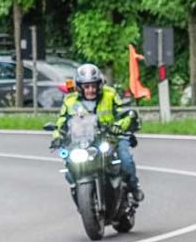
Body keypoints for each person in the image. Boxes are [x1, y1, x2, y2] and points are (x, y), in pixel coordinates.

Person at [51, 63, 143, 202]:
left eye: (93, 85)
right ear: (80, 87)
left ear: (99, 84)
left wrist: (119, 126)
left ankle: (134, 187)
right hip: (83, 140)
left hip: (111, 137)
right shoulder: (70, 101)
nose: (90, 90)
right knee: (69, 164)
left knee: (125, 160)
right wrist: (57, 137)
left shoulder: (110, 94)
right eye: (86, 86)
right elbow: (62, 122)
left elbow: (125, 113)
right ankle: (77, 189)